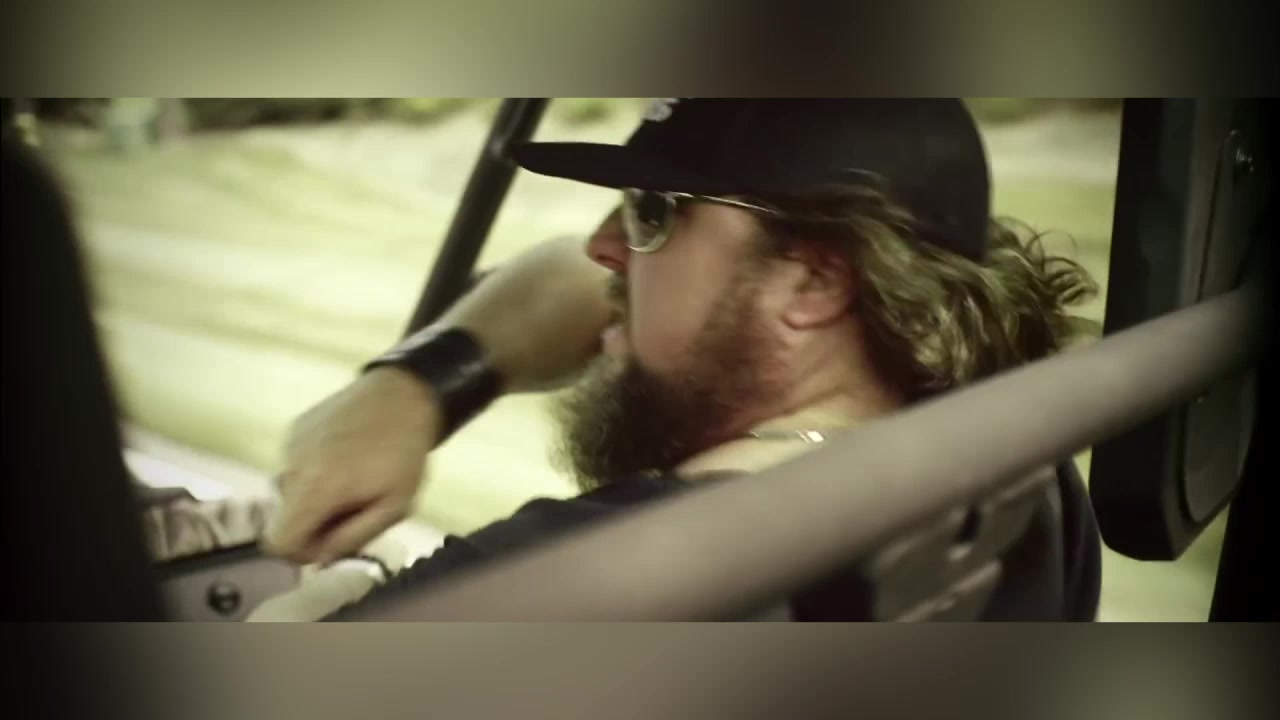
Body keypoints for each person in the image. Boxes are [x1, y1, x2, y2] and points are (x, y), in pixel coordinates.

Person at [260, 99, 1103, 621]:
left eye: (650, 212)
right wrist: (413, 390)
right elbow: (572, 280)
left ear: (813, 282)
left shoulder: (575, 576)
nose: (600, 245)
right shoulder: (1026, 482)